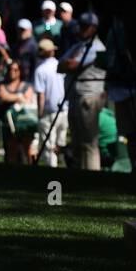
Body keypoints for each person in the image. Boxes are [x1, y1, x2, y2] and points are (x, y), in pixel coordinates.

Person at [62, 12, 107, 171]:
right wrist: (69, 63)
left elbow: (73, 65)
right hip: (75, 96)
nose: (81, 29)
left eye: (85, 27)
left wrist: (70, 63)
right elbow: (60, 65)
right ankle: (80, 175)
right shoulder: (79, 46)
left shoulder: (97, 47)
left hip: (88, 96)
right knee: (76, 142)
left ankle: (92, 176)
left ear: (94, 28)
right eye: (80, 26)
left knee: (89, 143)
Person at [33, 37, 68, 167]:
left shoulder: (40, 70)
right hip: (63, 109)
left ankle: (53, 173)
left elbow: (41, 95)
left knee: (49, 146)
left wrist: (40, 113)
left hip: (49, 111)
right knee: (60, 144)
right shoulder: (60, 65)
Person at [0, 60, 38, 164]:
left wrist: (12, 97)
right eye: (10, 69)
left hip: (24, 122)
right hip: (8, 123)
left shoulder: (27, 85)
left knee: (28, 148)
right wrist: (19, 97)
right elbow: (3, 97)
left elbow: (28, 99)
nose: (12, 72)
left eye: (16, 69)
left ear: (20, 71)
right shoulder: (3, 85)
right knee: (11, 149)